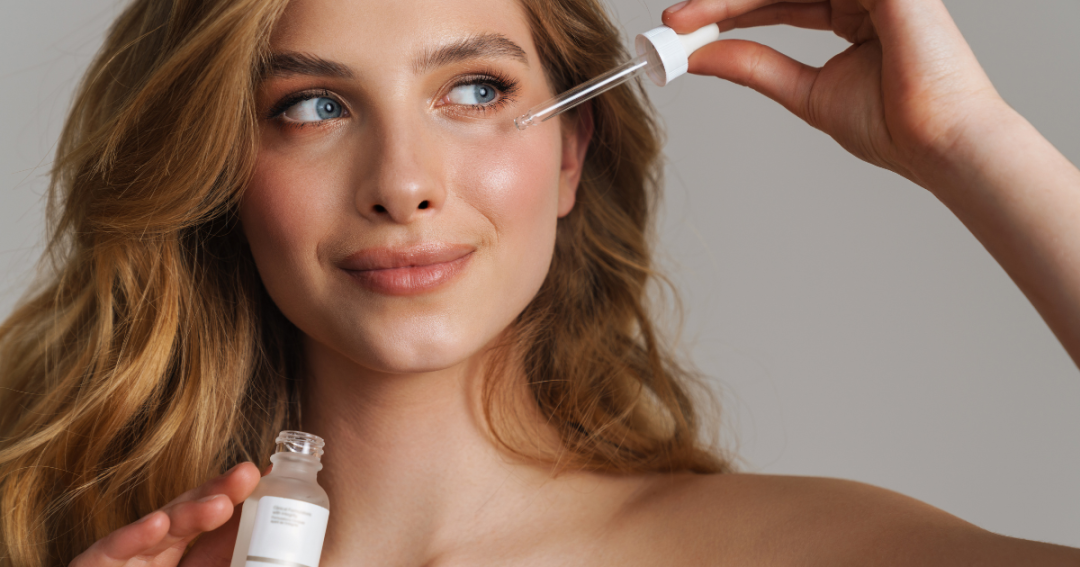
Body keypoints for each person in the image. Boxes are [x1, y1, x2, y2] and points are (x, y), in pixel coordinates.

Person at [0, 0, 1077, 564]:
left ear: (570, 156)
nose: (403, 184)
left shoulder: (786, 551)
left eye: (472, 89)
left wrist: (972, 143)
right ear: (220, 172)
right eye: (314, 106)